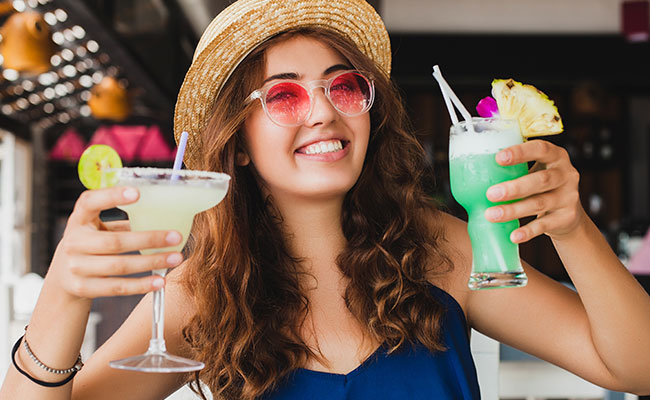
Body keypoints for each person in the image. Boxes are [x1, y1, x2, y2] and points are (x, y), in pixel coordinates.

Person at [3, 0, 650, 399]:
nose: (324, 114)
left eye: (345, 88)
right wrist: (62, 294)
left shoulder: (440, 250)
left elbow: (636, 369)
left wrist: (570, 228)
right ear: (240, 144)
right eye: (284, 95)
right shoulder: (204, 293)